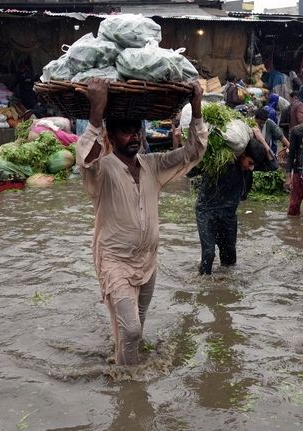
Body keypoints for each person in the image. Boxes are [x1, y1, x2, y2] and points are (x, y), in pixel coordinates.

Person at [75, 78, 207, 366]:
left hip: (148, 260)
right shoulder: (102, 170)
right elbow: (85, 160)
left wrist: (196, 109)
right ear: (111, 135)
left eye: (137, 131)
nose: (134, 137)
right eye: (126, 131)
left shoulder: (152, 165)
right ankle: (130, 384)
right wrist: (96, 114)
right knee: (132, 330)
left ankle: (126, 380)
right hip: (115, 261)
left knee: (137, 329)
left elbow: (193, 153)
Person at [194, 148, 256, 275]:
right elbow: (190, 172)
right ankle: (203, 285)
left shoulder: (245, 171)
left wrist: (263, 143)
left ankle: (225, 286)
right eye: (250, 163)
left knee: (229, 259)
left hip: (228, 215)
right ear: (242, 155)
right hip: (206, 211)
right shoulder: (217, 162)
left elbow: (272, 165)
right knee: (208, 254)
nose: (251, 168)